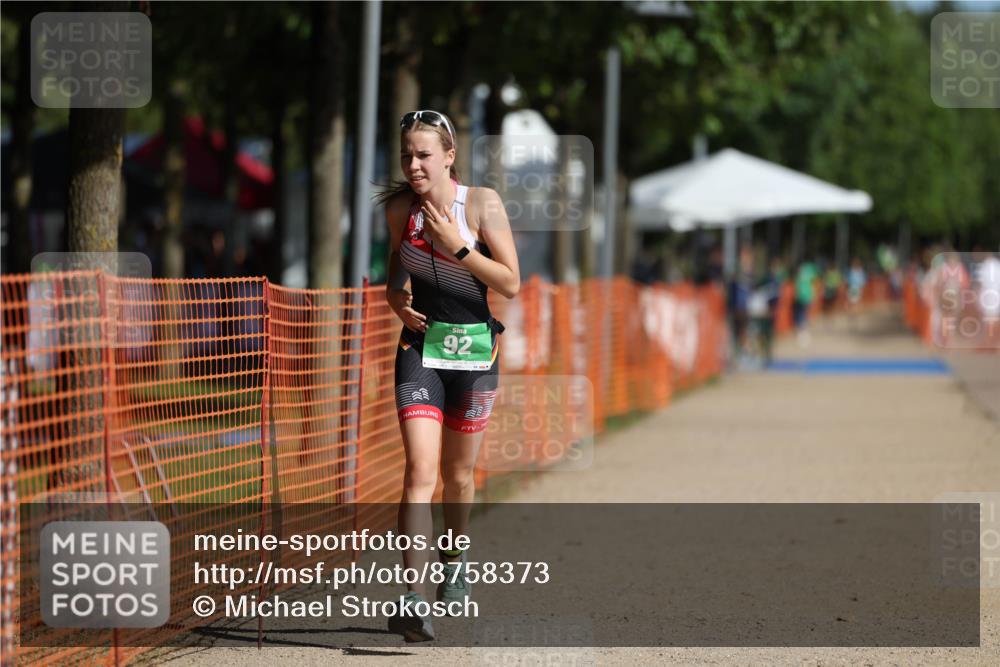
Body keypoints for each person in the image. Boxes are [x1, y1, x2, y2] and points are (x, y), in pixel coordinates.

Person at [379, 110, 520, 642]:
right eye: (405, 156)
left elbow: (512, 282)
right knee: (419, 472)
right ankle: (414, 598)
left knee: (458, 478)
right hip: (421, 349)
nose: (413, 166)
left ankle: (454, 562)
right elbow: (398, 258)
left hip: (475, 353)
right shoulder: (399, 209)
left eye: (423, 155)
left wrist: (458, 246)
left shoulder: (481, 204)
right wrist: (396, 295)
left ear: (448, 156)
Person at [793, 259, 818, 347]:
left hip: (803, 297)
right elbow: (813, 283)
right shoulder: (809, 272)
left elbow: (798, 285)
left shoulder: (801, 273)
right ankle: (803, 330)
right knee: (803, 314)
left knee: (802, 314)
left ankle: (802, 330)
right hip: (805, 296)